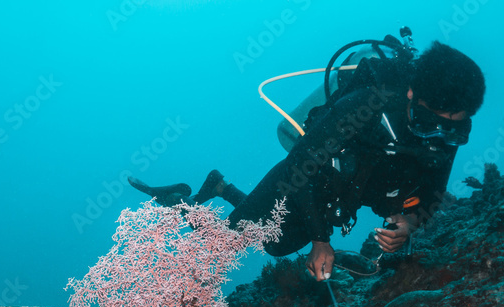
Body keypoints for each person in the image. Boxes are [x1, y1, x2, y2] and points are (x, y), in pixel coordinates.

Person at [130, 41, 485, 281]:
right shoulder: (363, 106)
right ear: (411, 94)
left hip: (346, 193)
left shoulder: (446, 130)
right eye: (427, 123)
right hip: (300, 178)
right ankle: (180, 199)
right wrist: (320, 240)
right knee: (229, 239)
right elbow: (301, 165)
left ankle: (221, 186)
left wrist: (409, 222)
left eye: (454, 130)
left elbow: (434, 191)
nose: (438, 136)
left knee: (278, 244)